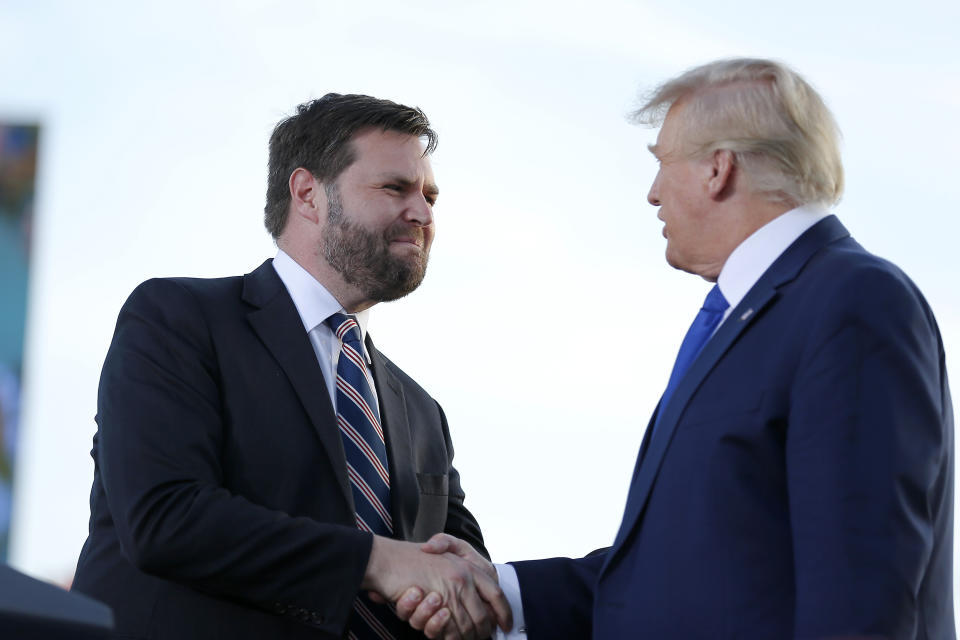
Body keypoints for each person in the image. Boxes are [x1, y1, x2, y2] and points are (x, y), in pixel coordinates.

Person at [408, 58, 955, 638]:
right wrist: (500, 590)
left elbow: (862, 590)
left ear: (718, 169)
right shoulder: (752, 315)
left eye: (662, 163)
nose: (651, 194)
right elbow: (682, 577)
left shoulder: (853, 301)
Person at [71, 94, 510, 640]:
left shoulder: (422, 413)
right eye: (395, 188)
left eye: (430, 196)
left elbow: (461, 571)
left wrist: (456, 590)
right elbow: (165, 518)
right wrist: (379, 560)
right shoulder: (177, 320)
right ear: (307, 194)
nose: (422, 212)